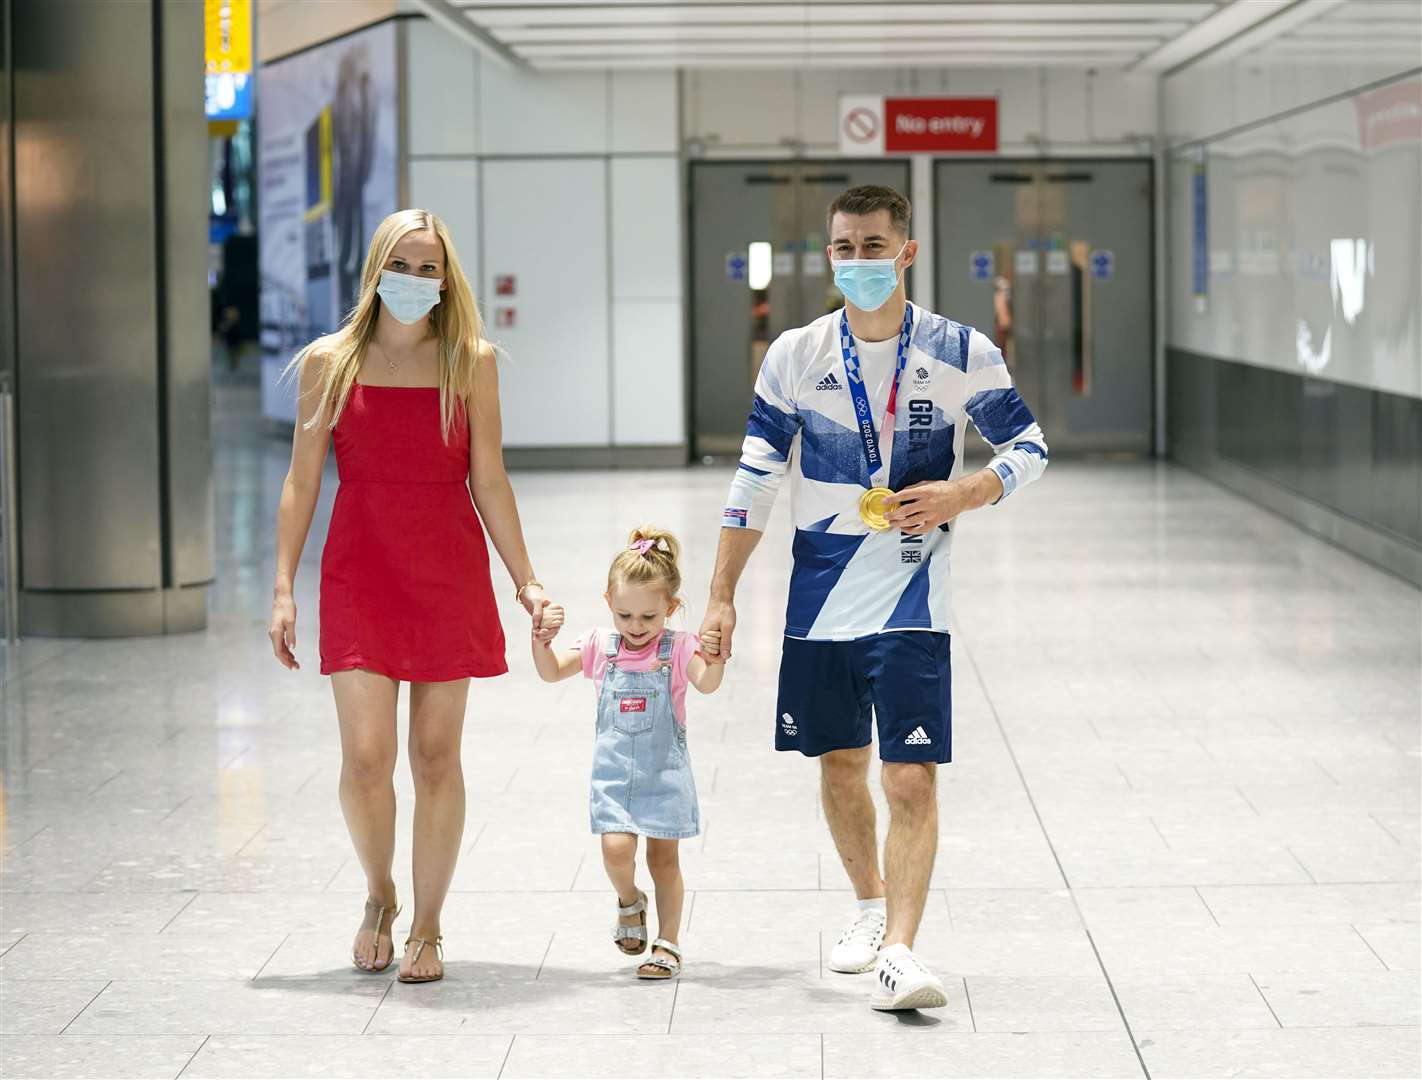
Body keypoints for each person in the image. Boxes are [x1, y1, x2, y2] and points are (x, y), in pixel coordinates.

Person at [699, 185, 1047, 1011]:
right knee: (842, 762)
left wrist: (967, 493)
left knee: (910, 778)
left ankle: (901, 947)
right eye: (844, 247)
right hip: (819, 596)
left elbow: (1029, 445)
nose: (857, 261)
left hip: (914, 594)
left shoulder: (961, 350)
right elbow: (755, 476)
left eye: (873, 245)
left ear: (907, 251)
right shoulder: (794, 353)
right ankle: (866, 903)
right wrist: (720, 594)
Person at [267, 208, 549, 984]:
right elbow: (301, 480)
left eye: (431, 268)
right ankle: (379, 895)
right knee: (365, 760)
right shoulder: (332, 362)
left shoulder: (472, 361)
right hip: (360, 567)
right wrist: (283, 587)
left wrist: (526, 581)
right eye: (405, 264)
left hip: (445, 569)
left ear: (447, 278)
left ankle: (428, 924)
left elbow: (487, 477)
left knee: (434, 756)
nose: (418, 280)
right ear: (375, 270)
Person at [532, 527, 724, 980]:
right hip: (614, 778)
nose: (636, 627)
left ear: (670, 609)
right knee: (616, 850)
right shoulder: (601, 645)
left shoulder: (677, 648)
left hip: (665, 775)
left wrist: (716, 657)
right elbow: (552, 672)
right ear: (608, 603)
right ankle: (628, 900)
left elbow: (706, 683)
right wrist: (541, 641)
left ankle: (669, 942)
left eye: (649, 617)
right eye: (625, 615)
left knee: (664, 861)